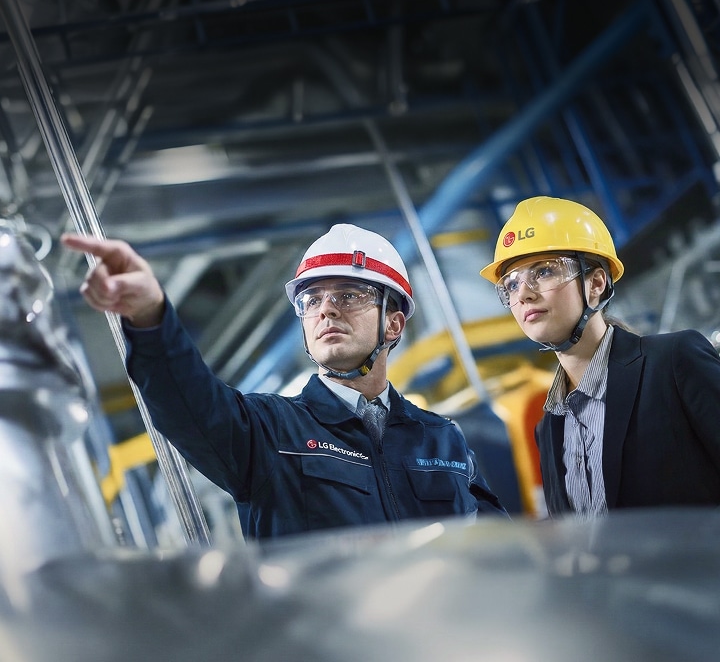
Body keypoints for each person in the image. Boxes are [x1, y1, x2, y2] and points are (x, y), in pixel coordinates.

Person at [63, 222, 507, 540]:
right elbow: (186, 399)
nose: (326, 310)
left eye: (349, 295)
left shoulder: (443, 440)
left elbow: (498, 550)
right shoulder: (267, 431)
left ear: (393, 324)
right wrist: (150, 316)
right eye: (312, 299)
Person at [479, 195, 720, 517]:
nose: (523, 293)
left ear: (595, 284)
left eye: (544, 271)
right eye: (510, 284)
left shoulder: (673, 363)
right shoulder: (550, 427)